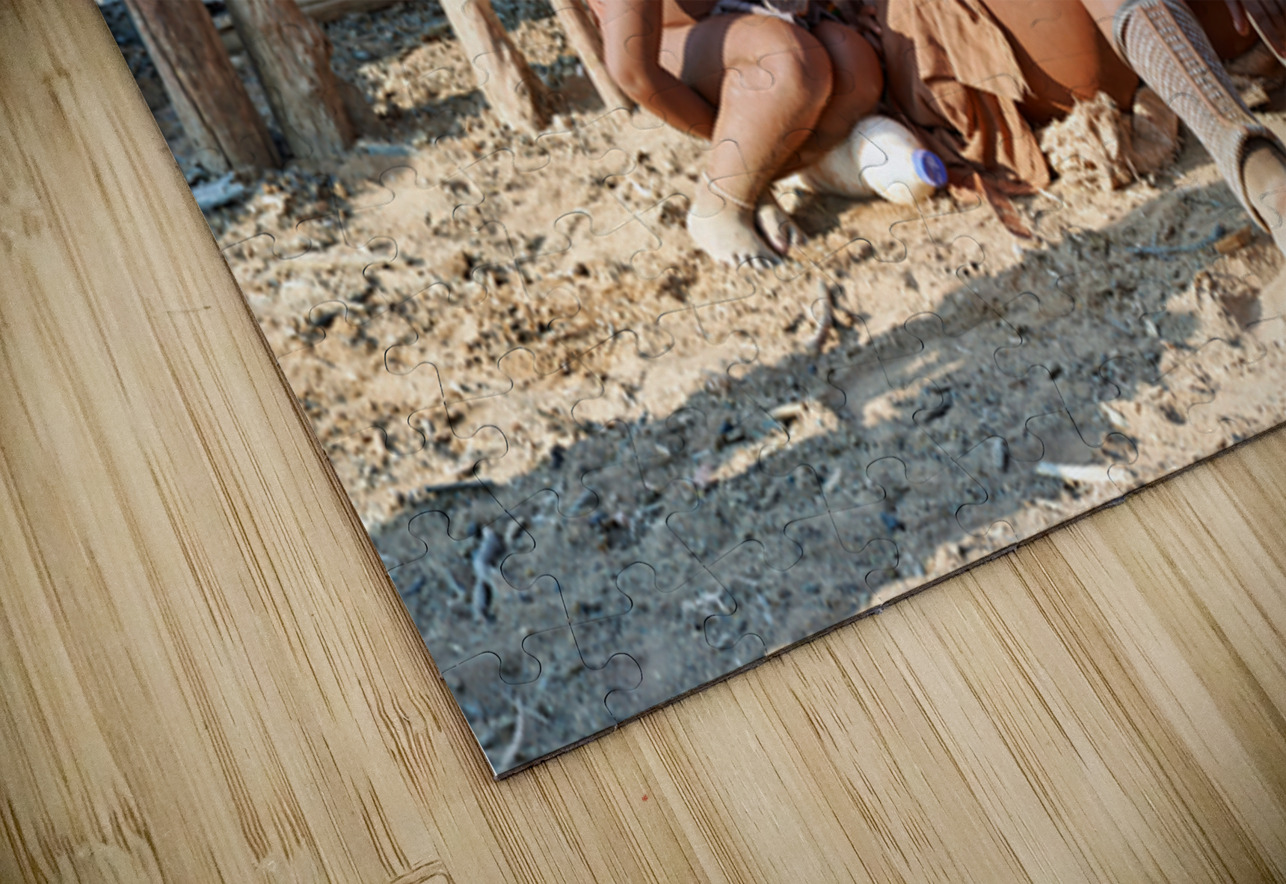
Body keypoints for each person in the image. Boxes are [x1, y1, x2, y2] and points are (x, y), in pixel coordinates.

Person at [866, 0, 1286, 309]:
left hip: (1128, 32)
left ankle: (1258, 167)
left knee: (1252, 25)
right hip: (1045, 42)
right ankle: (1255, 163)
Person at [587, 0, 885, 266]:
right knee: (788, 61)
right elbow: (633, 71)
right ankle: (722, 199)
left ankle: (756, 171)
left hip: (755, 17)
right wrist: (724, 146)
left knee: (855, 66)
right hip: (672, 42)